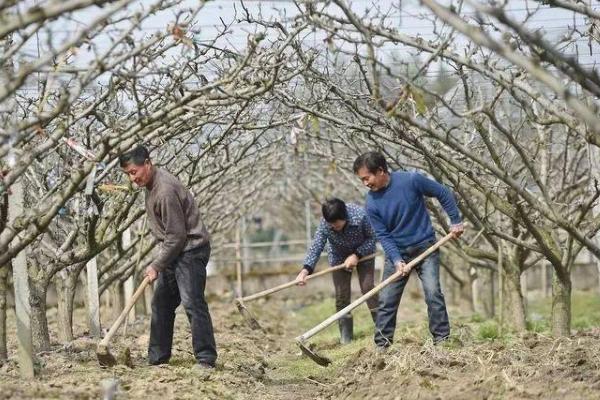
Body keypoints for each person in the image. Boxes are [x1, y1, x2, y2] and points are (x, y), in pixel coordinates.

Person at [353, 151, 464, 349]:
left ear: (380, 171)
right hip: (397, 253)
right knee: (387, 300)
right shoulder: (371, 203)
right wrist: (396, 260)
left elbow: (442, 192)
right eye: (361, 180)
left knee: (433, 293)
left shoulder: (411, 180)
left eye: (366, 178)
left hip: (426, 247)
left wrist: (455, 220)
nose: (365, 183)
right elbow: (383, 235)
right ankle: (382, 347)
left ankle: (442, 341)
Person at [119, 145, 217, 369]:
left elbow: (177, 236)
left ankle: (206, 359)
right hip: (175, 251)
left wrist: (157, 264)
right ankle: (157, 358)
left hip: (190, 250)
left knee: (192, 303)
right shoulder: (150, 184)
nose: (132, 178)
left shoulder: (164, 190)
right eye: (128, 174)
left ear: (148, 163)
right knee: (161, 304)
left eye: (134, 172)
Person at [296, 198, 378, 344]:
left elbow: (372, 238)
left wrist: (356, 255)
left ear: (345, 217)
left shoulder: (360, 215)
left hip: (364, 254)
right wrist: (305, 270)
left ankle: (382, 328)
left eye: (337, 224)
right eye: (330, 224)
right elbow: (316, 246)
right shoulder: (325, 223)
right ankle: (346, 338)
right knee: (341, 296)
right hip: (339, 257)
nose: (333, 227)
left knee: (368, 289)